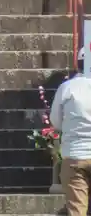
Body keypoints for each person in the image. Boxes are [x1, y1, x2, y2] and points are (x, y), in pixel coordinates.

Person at [50, 48, 91, 216]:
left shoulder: (66, 88)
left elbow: (56, 121)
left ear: (78, 64)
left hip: (74, 156)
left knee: (77, 210)